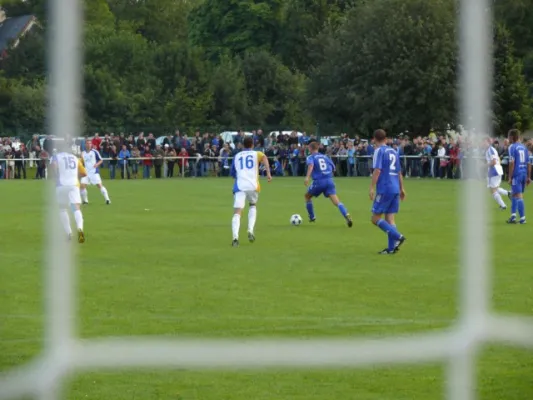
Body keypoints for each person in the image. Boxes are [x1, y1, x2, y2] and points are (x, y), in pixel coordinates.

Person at [369, 129, 406, 254]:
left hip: (385, 188)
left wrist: (372, 187)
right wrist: (402, 188)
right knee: (390, 218)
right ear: (386, 138)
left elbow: (377, 170)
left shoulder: (379, 151)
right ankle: (391, 249)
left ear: (374, 139)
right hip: (395, 187)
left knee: (375, 218)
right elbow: (399, 172)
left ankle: (398, 236)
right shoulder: (394, 151)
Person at [230, 136, 272, 247]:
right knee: (252, 205)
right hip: (253, 185)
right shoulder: (256, 153)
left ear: (242, 145)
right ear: (252, 145)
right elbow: (265, 158)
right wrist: (268, 173)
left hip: (240, 186)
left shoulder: (237, 156)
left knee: (237, 212)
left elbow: (232, 173)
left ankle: (235, 237)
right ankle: (250, 229)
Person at [304, 141, 353, 227]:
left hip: (319, 181)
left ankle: (312, 217)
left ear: (310, 148)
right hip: (329, 180)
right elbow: (333, 168)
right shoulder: (325, 157)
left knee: (307, 196)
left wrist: (307, 177)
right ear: (317, 148)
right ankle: (346, 214)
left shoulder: (310, 157)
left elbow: (311, 166)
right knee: (336, 201)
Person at [50, 148, 87, 243]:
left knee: (62, 209)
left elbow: (53, 165)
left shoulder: (56, 156)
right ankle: (80, 231)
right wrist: (75, 176)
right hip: (73, 185)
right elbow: (84, 173)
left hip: (61, 185)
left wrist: (56, 175)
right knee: (76, 208)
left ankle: (69, 233)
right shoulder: (75, 158)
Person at [507, 129, 531, 224]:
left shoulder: (512, 147)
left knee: (518, 195)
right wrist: (528, 177)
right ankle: (513, 216)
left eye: (509, 136)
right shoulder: (524, 147)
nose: (508, 138)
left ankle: (522, 218)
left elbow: (512, 163)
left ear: (512, 137)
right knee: (514, 193)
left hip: (517, 174)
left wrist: (510, 177)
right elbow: (529, 163)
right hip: (523, 173)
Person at [80, 140, 111, 204]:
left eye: (90, 143)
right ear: (85, 145)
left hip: (94, 172)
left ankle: (107, 199)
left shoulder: (95, 152)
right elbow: (82, 162)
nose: (89, 145)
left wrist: (97, 164)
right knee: (82, 185)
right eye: (87, 143)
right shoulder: (83, 153)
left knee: (99, 185)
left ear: (91, 144)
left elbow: (101, 160)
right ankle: (85, 201)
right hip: (86, 173)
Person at [484, 137, 509, 210]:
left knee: (493, 190)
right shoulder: (489, 150)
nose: (483, 144)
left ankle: (503, 205)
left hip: (494, 171)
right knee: (494, 188)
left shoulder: (490, 150)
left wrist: (484, 165)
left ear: (488, 142)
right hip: (495, 170)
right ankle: (508, 193)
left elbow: (494, 161)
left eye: (484, 142)